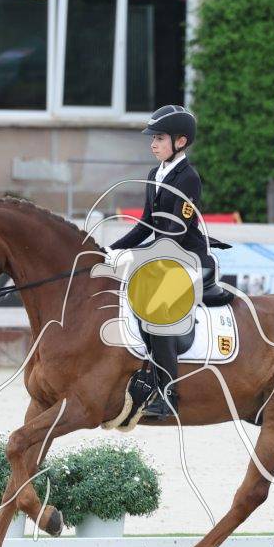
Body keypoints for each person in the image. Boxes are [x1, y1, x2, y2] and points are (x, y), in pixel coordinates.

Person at [111, 104, 207, 420]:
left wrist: (140, 256)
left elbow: (176, 231)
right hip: (162, 255)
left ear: (180, 141)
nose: (153, 144)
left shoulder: (188, 178)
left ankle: (168, 395)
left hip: (186, 257)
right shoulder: (156, 174)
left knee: (157, 312)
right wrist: (110, 249)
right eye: (153, 138)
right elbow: (145, 225)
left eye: (159, 138)